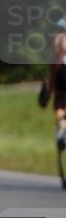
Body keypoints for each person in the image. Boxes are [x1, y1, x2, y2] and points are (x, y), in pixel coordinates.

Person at [46, 17, 66, 150]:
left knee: (59, 102)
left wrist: (51, 87)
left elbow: (53, 66)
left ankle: (62, 126)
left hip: (61, 70)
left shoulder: (57, 39)